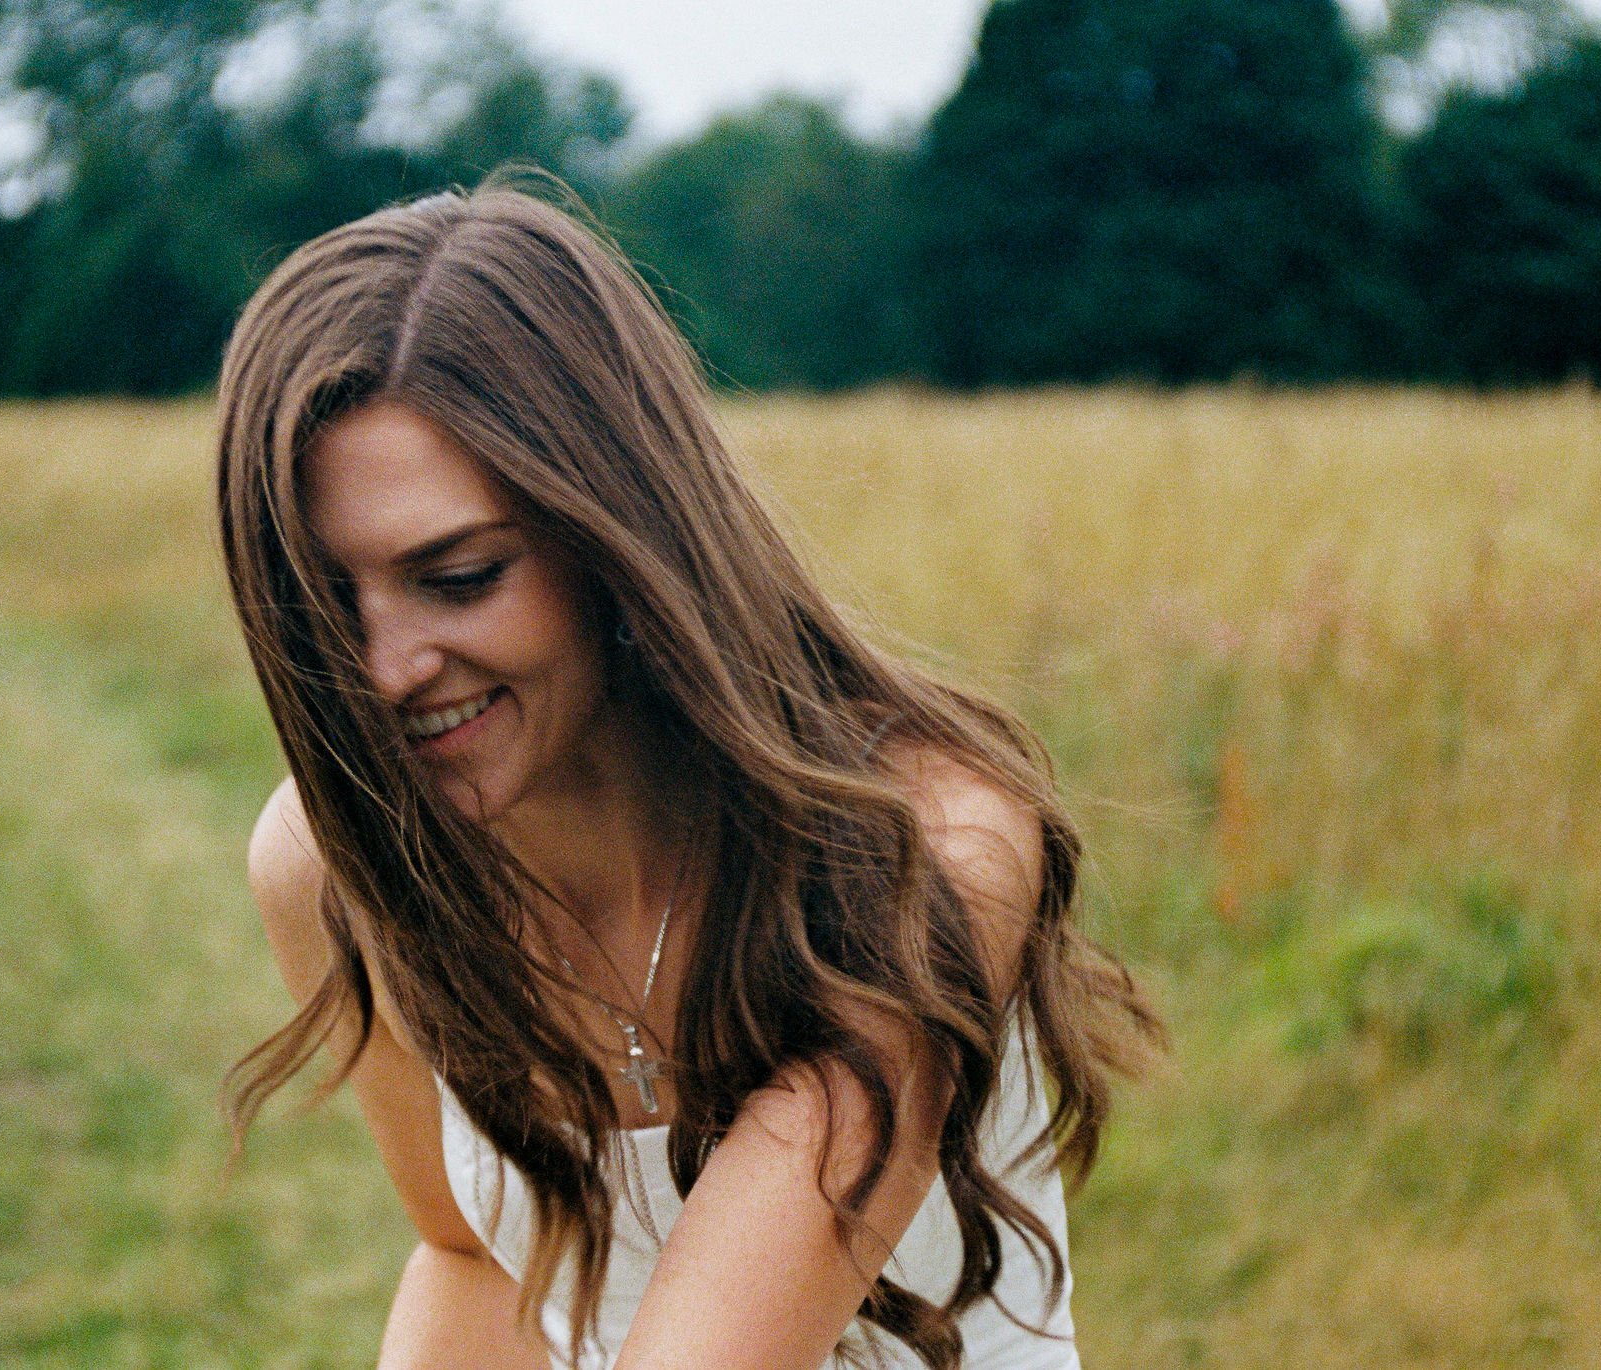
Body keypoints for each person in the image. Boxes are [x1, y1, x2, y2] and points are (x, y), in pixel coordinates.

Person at [214, 168, 1163, 1370]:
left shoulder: (921, 847)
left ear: (613, 531)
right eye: (316, 603)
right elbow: (468, 1255)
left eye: (457, 578)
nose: (385, 668)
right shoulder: (334, 862)